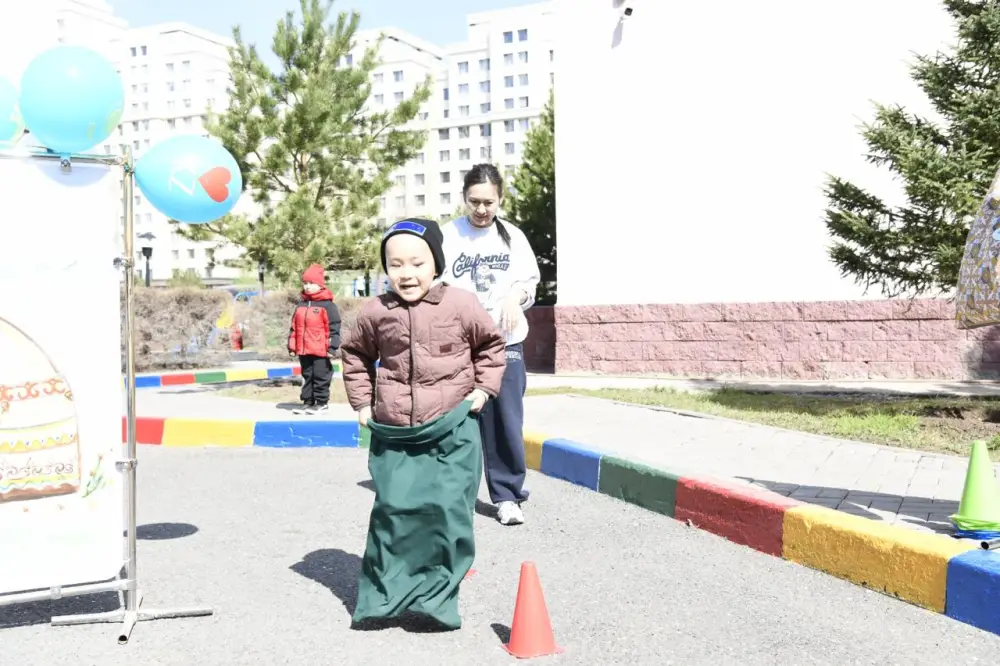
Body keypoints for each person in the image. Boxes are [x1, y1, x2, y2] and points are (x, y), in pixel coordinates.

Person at [341, 218, 506, 630]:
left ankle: (437, 601)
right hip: (397, 431)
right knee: (394, 513)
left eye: (417, 263)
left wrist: (483, 390)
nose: (407, 273)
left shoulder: (461, 304)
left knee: (447, 513)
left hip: (452, 427)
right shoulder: (376, 311)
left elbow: (491, 346)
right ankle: (384, 599)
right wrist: (362, 402)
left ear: (436, 264)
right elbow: (355, 355)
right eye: (396, 264)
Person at [440, 163, 541, 526]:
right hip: (459, 345)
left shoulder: (513, 236)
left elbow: (529, 282)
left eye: (489, 202)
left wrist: (515, 297)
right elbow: (433, 282)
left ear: (500, 200)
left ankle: (508, 497)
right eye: (474, 202)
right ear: (464, 198)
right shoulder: (448, 235)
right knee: (456, 420)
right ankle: (455, 495)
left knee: (505, 422)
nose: (481, 209)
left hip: (505, 342)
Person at [287, 263, 341, 415]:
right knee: (307, 375)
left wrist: (332, 347)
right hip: (304, 350)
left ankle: (321, 403)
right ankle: (308, 402)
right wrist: (292, 346)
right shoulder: (301, 305)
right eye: (305, 283)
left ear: (320, 284)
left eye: (311, 283)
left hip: (321, 350)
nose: (308, 286)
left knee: (320, 376)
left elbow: (334, 327)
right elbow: (294, 328)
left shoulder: (328, 306)